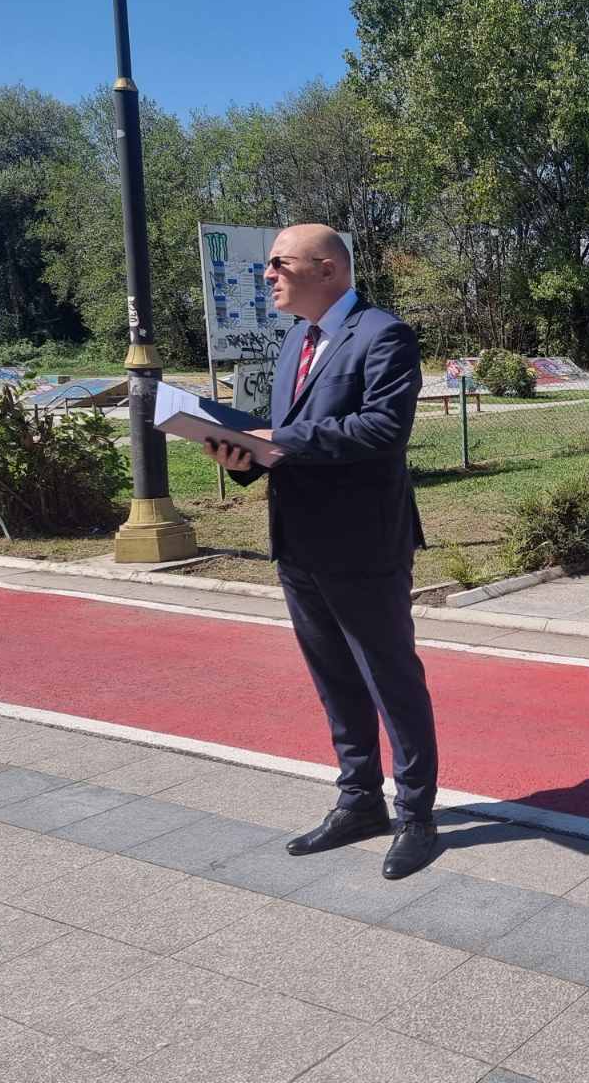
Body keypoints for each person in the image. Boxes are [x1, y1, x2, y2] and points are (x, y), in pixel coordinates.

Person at [202, 223, 439, 879]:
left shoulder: (383, 334)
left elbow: (383, 429)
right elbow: (286, 440)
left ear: (328, 269)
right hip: (298, 542)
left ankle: (417, 816)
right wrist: (242, 455)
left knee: (390, 679)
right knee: (334, 679)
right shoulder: (296, 342)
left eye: (280, 264)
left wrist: (275, 438)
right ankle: (360, 801)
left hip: (363, 543)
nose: (268, 275)